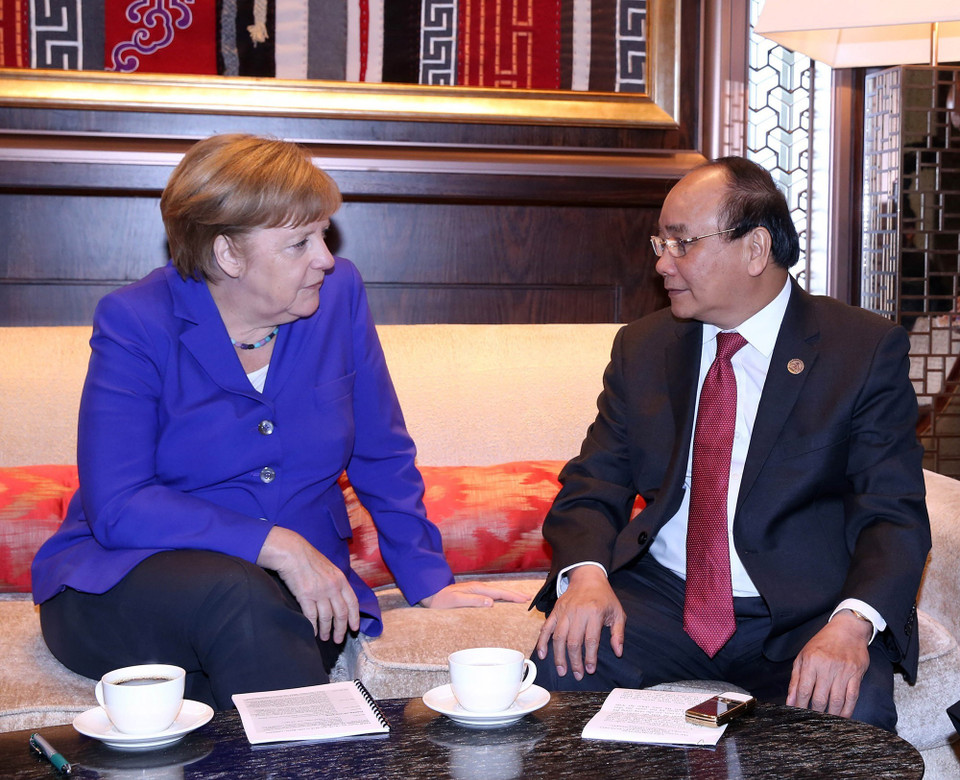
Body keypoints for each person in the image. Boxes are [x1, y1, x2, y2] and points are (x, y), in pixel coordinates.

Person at [32, 134, 525, 710]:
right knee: (240, 599)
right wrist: (275, 545)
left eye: (323, 234)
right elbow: (119, 504)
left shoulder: (338, 296)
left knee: (238, 666)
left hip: (294, 598)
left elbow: (381, 451)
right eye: (299, 243)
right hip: (128, 583)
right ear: (228, 254)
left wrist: (428, 579)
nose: (326, 258)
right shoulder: (136, 321)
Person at [531, 156, 931, 731]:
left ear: (755, 249)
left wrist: (851, 624)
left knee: (853, 714)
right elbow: (594, 482)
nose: (662, 263)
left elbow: (892, 513)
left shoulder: (861, 351)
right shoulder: (645, 347)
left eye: (682, 243)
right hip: (664, 597)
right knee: (561, 667)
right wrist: (587, 575)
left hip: (803, 612)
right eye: (660, 243)